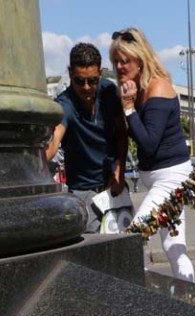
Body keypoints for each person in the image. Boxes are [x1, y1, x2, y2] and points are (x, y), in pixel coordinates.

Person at [111, 28, 194, 282]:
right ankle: (190, 304)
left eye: (126, 60)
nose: (120, 66)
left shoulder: (157, 87)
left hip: (171, 178)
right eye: (116, 60)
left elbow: (148, 143)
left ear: (141, 59)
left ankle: (144, 302)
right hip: (161, 177)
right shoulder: (135, 88)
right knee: (173, 246)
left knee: (134, 237)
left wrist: (128, 108)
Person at [45, 43, 127, 234]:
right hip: (84, 192)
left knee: (126, 246)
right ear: (70, 74)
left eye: (92, 80)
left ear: (100, 73)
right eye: (79, 81)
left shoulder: (109, 92)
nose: (87, 87)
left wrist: (119, 171)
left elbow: (122, 133)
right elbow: (55, 139)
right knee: (95, 252)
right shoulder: (66, 104)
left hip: (113, 184)